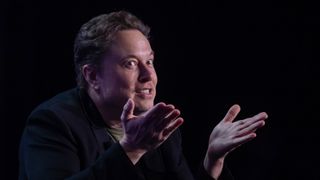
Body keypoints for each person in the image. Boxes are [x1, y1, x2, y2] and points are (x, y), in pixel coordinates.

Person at [19, 11, 268, 180]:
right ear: (93, 76)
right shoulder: (51, 123)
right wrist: (131, 148)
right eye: (130, 63)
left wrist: (213, 159)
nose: (149, 75)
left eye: (149, 61)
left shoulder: (159, 125)